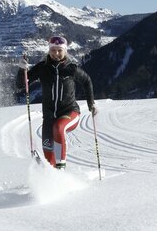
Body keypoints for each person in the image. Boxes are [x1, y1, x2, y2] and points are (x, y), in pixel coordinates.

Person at [17, 36, 97, 169]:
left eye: (60, 50)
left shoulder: (71, 68)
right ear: (49, 50)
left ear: (65, 51)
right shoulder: (43, 68)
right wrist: (22, 69)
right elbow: (21, 84)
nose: (56, 53)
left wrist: (91, 104)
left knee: (59, 128)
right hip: (49, 117)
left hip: (70, 112)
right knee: (48, 155)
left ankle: (61, 168)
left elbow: (87, 81)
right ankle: (53, 177)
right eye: (53, 50)